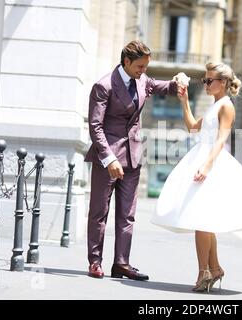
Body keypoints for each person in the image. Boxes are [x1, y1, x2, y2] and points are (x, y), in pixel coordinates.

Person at [151, 62, 242, 292]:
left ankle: (204, 273)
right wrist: (184, 99)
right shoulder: (214, 105)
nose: (206, 84)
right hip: (201, 158)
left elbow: (221, 140)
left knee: (201, 220)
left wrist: (207, 166)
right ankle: (214, 268)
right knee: (204, 221)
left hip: (212, 163)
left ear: (224, 83)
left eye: (210, 81)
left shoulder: (226, 106)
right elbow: (192, 127)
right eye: (205, 81)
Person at [84, 40, 179, 280]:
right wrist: (108, 158)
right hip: (108, 160)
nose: (143, 70)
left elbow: (162, 86)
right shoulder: (103, 86)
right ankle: (95, 262)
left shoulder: (142, 80)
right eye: (140, 66)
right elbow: (95, 127)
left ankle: (122, 264)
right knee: (99, 212)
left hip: (133, 157)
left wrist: (179, 82)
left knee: (127, 215)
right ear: (126, 61)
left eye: (146, 66)